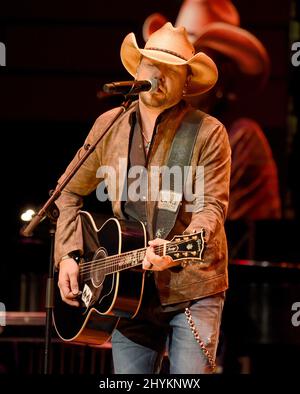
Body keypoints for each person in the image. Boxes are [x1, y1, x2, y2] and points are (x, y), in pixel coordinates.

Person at [54, 22, 231, 374]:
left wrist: (178, 246)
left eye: (171, 71)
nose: (159, 75)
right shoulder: (110, 125)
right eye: (152, 65)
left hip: (191, 286)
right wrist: (68, 255)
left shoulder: (208, 132)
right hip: (126, 291)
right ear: (137, 69)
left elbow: (211, 206)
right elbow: (68, 191)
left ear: (187, 83)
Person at [143, 0, 281, 221]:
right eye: (171, 62)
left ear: (222, 75)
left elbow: (240, 238)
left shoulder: (242, 139)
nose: (176, 75)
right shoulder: (156, 131)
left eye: (193, 66)